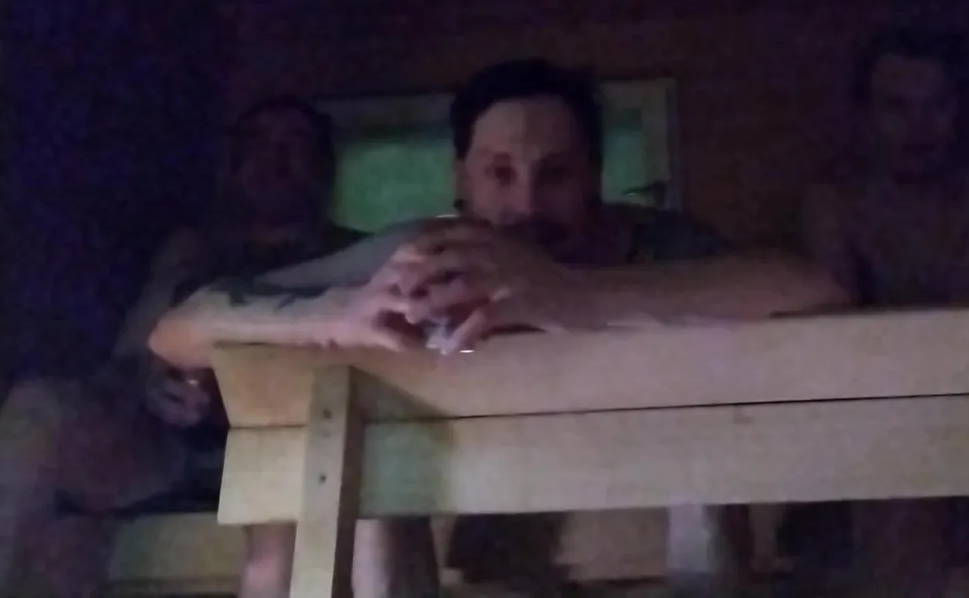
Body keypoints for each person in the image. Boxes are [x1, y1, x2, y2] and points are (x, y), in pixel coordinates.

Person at [148, 58, 849, 595]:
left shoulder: (660, 245)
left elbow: (814, 289)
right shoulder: (428, 251)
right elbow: (179, 327)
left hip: (653, 497)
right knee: (372, 478)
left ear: (595, 175)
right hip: (470, 505)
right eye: (500, 174)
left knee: (708, 456)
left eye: (556, 174)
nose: (527, 205)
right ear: (461, 179)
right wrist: (331, 312)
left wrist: (572, 296)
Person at [0, 98, 429, 598]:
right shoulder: (194, 252)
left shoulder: (360, 254)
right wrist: (154, 380)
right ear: (233, 164)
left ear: (325, 167)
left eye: (294, 144)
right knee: (38, 409)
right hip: (172, 449)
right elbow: (132, 358)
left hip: (299, 437)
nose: (274, 158)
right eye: (257, 144)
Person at [788, 27, 969, 596]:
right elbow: (839, 340)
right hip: (875, 420)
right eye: (897, 108)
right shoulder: (834, 204)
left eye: (936, 106)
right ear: (864, 116)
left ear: (961, 110)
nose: (918, 128)